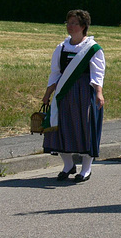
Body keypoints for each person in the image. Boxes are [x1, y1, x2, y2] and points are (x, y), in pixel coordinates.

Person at [42, 10, 106, 182]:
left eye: (74, 23)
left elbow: (97, 74)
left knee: (85, 128)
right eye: (68, 23)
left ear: (83, 26)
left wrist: (99, 93)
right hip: (64, 94)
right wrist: (48, 93)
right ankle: (68, 165)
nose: (70, 26)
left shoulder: (92, 49)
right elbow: (55, 73)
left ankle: (86, 169)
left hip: (84, 92)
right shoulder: (61, 48)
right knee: (61, 127)